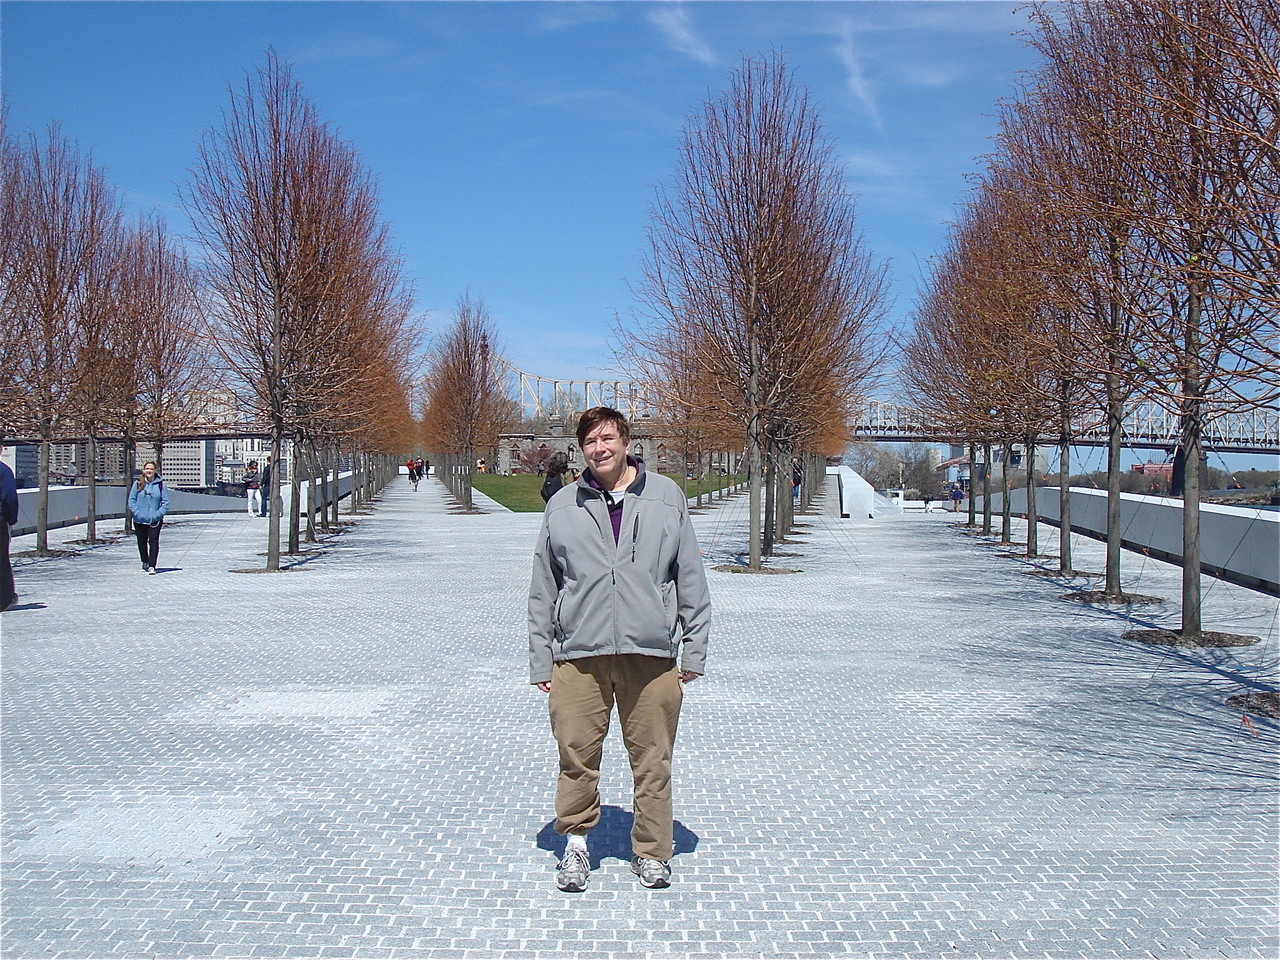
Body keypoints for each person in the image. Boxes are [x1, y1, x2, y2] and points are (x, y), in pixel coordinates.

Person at [529, 406, 711, 893]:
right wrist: (539, 656)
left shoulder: (667, 497)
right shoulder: (563, 503)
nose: (600, 448)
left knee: (653, 758)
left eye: (608, 438)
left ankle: (652, 851)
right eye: (590, 441)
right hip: (577, 655)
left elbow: (689, 575)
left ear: (627, 442)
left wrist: (694, 650)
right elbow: (543, 586)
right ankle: (576, 845)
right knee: (575, 755)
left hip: (649, 656)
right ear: (580, 449)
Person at [127, 461, 169, 575]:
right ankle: (145, 561)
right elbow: (131, 501)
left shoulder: (161, 485)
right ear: (144, 470)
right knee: (142, 542)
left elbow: (165, 503)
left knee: (154, 542)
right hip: (139, 519)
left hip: (154, 521)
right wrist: (137, 513)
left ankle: (152, 565)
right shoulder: (138, 484)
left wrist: (157, 515)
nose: (149, 471)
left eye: (151, 469)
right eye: (147, 468)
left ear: (155, 470)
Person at [1, 446, 19, 611]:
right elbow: (9, 498)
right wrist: (11, 519)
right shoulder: (3, 471)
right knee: (1, 561)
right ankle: (4, 600)